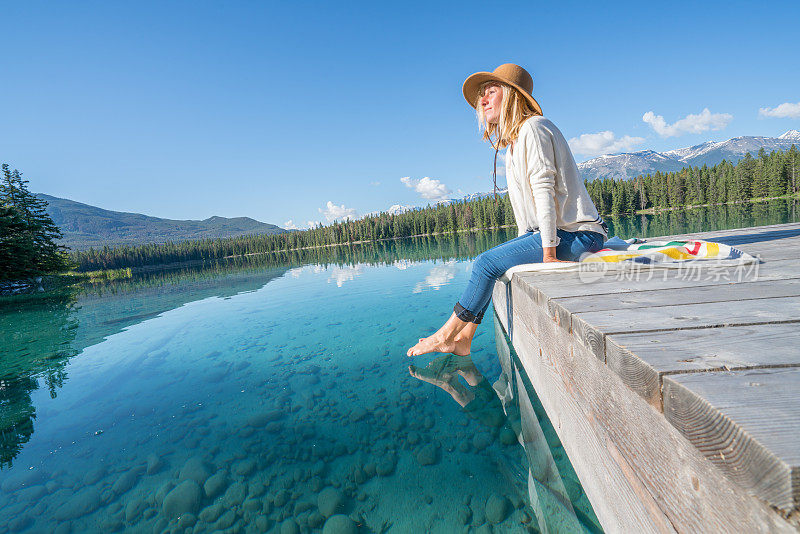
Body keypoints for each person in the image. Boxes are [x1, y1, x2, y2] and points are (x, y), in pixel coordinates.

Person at [407, 63, 607, 358]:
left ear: (512, 96)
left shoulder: (535, 128)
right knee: (493, 261)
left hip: (579, 236)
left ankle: (445, 335)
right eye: (482, 96)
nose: (483, 100)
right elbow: (525, 215)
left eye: (491, 91)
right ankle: (464, 339)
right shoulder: (513, 144)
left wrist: (547, 256)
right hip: (554, 234)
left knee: (485, 263)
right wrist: (518, 247)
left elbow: (544, 193)